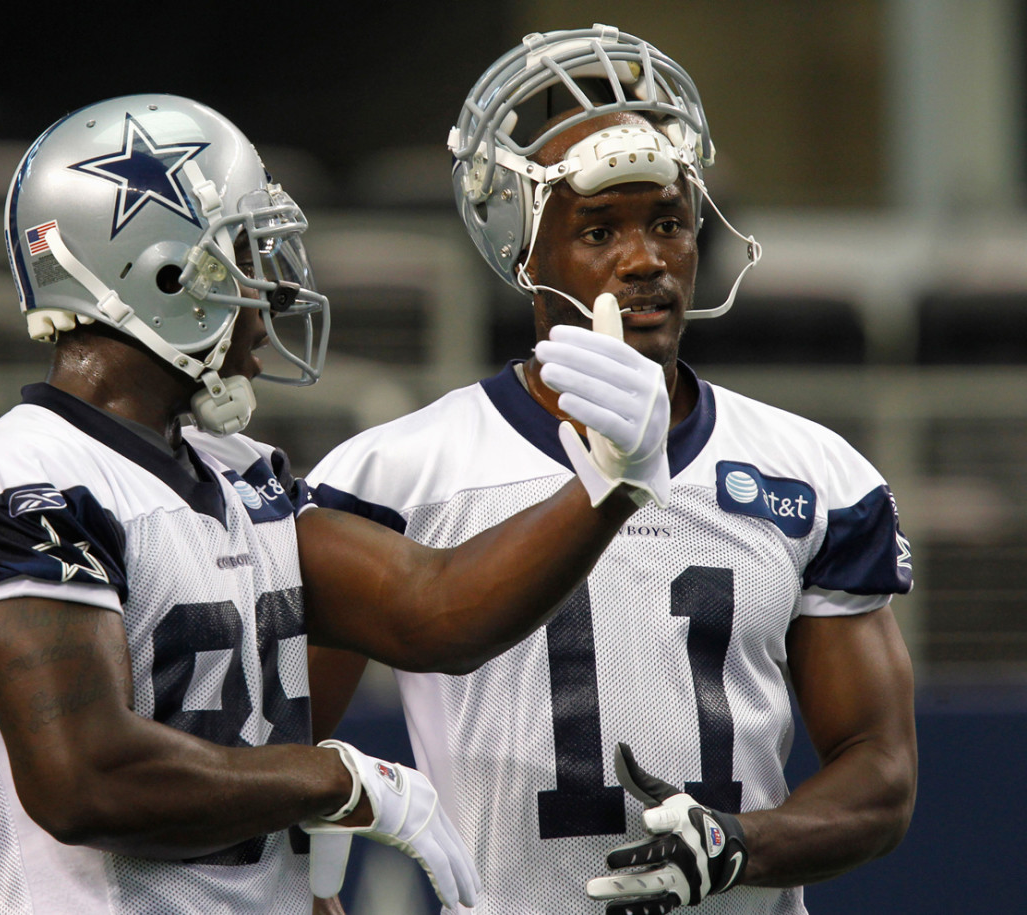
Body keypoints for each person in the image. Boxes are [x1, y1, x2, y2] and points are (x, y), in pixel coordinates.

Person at [0, 93, 676, 915]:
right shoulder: (20, 481)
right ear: (168, 272)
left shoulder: (237, 473)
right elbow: (87, 779)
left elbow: (436, 610)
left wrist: (610, 483)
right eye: (245, 249)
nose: (270, 288)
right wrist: (340, 779)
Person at [306, 25, 917, 915]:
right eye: (600, 229)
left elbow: (881, 772)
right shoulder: (394, 472)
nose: (645, 260)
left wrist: (737, 841)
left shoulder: (813, 470)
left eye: (667, 222)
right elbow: (279, 748)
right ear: (524, 251)